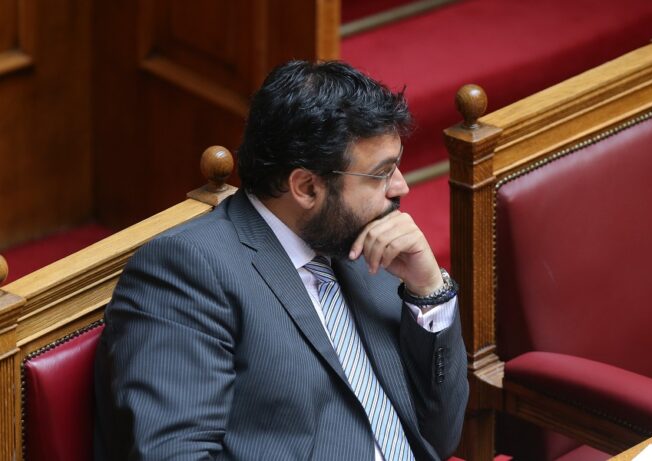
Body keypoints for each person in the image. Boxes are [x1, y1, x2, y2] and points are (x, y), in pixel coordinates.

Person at [94, 60, 468, 461]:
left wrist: (428, 291)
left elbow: (440, 436)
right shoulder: (188, 270)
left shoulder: (362, 243)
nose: (401, 187)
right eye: (382, 173)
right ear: (306, 187)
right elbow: (173, 453)